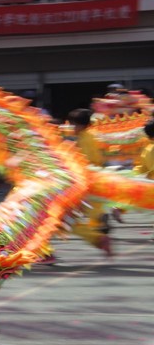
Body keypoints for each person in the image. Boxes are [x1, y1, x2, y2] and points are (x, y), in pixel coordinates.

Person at [68, 108, 113, 256]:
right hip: (97, 176)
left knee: (77, 211)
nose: (72, 128)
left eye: (73, 125)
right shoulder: (92, 135)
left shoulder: (85, 138)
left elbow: (87, 160)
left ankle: (99, 227)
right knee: (93, 205)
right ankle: (100, 223)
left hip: (88, 177)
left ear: (80, 125)